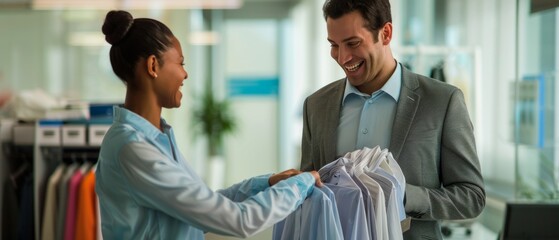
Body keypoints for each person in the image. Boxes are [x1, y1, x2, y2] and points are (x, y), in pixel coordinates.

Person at [95, 10, 322, 239]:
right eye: (181, 63)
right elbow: (238, 220)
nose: (185, 75)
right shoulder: (132, 148)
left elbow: (205, 209)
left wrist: (267, 183)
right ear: (153, 66)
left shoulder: (155, 138)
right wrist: (302, 183)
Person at [299, 0, 486, 239]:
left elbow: (472, 197)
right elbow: (308, 188)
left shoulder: (442, 101)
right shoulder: (316, 105)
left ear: (385, 33)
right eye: (334, 45)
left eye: (353, 43)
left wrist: (401, 195)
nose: (343, 57)